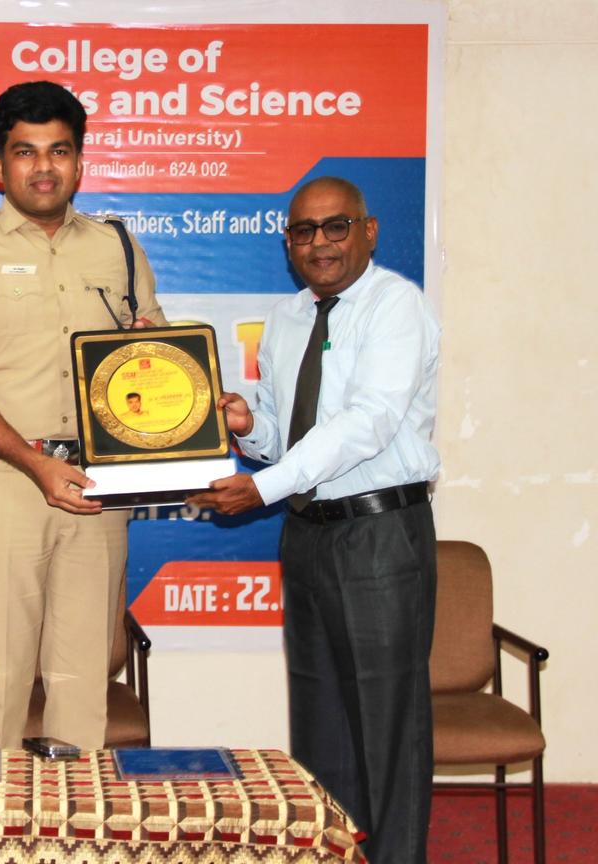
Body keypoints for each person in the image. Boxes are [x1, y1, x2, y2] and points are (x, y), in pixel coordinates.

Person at [189, 176, 440, 863]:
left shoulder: (396, 307)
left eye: (335, 227)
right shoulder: (288, 317)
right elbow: (288, 434)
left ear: (369, 230)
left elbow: (367, 424)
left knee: (388, 730)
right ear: (288, 242)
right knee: (321, 722)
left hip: (379, 537)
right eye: (304, 231)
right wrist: (249, 425)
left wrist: (263, 486)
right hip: (308, 534)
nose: (319, 244)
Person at [0, 80, 166, 751]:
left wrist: (160, 362)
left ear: (80, 161)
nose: (44, 167)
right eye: (25, 152)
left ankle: (79, 843)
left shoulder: (116, 247)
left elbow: (155, 359)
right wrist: (36, 467)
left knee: (85, 684)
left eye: (59, 150)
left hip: (97, 484)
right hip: (3, 480)